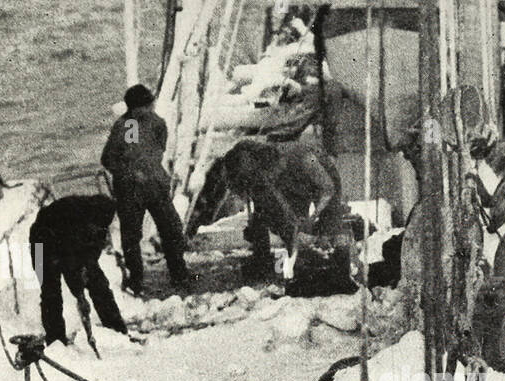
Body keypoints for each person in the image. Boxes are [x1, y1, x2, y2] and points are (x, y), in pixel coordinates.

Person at [194, 138, 349, 282]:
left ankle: (342, 267)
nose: (268, 180)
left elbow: (327, 188)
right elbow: (281, 209)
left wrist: (314, 217)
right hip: (294, 183)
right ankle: (281, 265)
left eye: (270, 176)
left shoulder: (305, 158)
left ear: (275, 166)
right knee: (281, 224)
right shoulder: (261, 172)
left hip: (323, 178)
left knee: (330, 223)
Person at [100, 84, 192, 296]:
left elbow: (158, 149)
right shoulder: (126, 125)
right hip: (131, 190)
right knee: (132, 236)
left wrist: (148, 172)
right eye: (146, 105)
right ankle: (136, 281)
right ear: (134, 108)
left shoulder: (157, 123)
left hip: (155, 187)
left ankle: (179, 274)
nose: (150, 108)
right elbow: (108, 159)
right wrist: (131, 173)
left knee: (172, 229)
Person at [30, 193, 128, 346]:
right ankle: (55, 340)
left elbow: (92, 254)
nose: (100, 229)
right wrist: (80, 296)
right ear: (90, 218)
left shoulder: (100, 221)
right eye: (96, 226)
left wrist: (87, 270)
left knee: (99, 283)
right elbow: (69, 263)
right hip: (41, 241)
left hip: (70, 243)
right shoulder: (73, 217)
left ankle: (117, 330)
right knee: (50, 290)